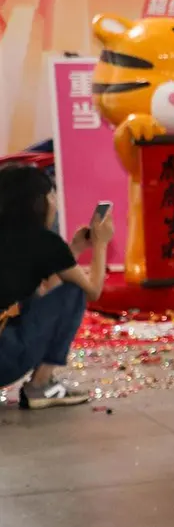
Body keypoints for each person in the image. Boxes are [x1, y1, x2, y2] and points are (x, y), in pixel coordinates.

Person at [0, 164, 110, 408]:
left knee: (36, 298)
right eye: (52, 195)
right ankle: (41, 384)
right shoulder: (42, 240)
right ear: (39, 202)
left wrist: (75, 250)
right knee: (74, 291)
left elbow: (46, 289)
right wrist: (101, 244)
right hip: (6, 359)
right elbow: (92, 290)